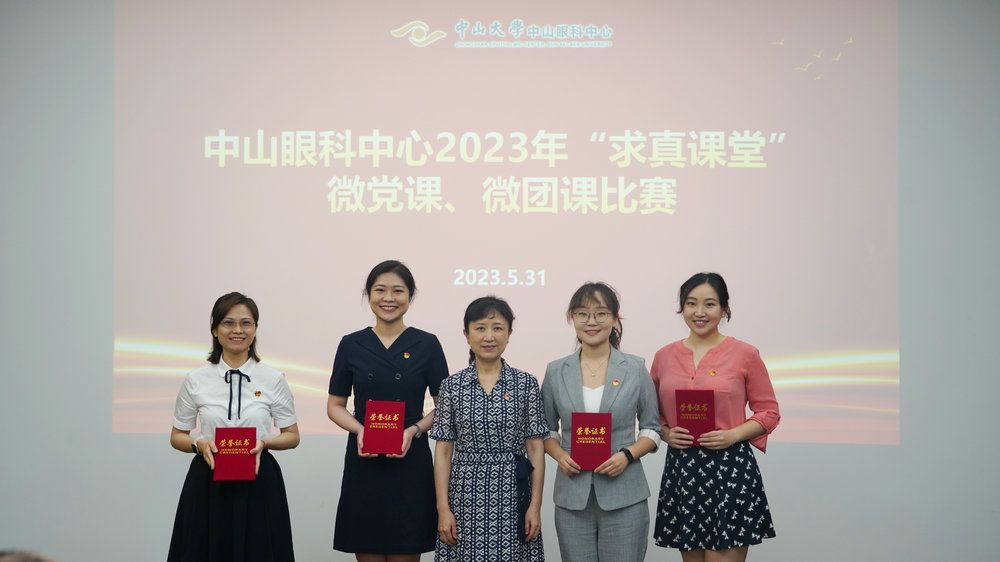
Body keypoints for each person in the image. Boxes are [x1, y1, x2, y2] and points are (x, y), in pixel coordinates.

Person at [651, 272, 780, 562]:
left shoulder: (745, 354)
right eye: (691, 303)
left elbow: (769, 412)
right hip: (683, 469)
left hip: (730, 467)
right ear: (682, 308)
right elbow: (651, 413)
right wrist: (666, 433)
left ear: (724, 309)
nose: (699, 312)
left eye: (709, 304)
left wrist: (733, 434)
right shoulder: (664, 356)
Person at [327, 260, 449, 562]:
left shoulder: (427, 344)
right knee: (366, 547)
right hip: (363, 461)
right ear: (368, 294)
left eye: (398, 291)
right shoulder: (351, 344)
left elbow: (445, 407)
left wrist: (414, 430)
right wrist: (360, 430)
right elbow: (334, 406)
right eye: (380, 290)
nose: (388, 298)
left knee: (405, 550)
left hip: (410, 462)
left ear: (410, 296)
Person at [168, 292, 300, 562]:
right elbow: (177, 436)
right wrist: (198, 443)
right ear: (215, 330)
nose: (237, 330)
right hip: (208, 482)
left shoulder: (273, 378)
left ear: (255, 329)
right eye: (228, 323)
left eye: (246, 323)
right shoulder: (196, 379)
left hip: (258, 480)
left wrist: (265, 442)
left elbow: (292, 436)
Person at [540, 282, 661, 562]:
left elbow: (652, 428)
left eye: (601, 314)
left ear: (615, 318)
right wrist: (560, 455)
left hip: (625, 496)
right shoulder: (556, 371)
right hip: (572, 497)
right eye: (582, 314)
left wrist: (627, 455)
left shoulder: (634, 367)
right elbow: (546, 429)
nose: (591, 322)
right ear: (572, 318)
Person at [430, 296, 548, 561]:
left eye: (497, 328)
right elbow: (444, 452)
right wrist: (443, 508)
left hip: (513, 493)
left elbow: (535, 448)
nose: (489, 336)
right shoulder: (451, 386)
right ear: (466, 334)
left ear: (509, 334)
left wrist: (535, 506)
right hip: (464, 493)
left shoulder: (525, 383)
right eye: (480, 328)